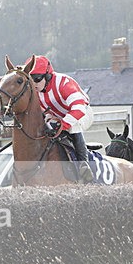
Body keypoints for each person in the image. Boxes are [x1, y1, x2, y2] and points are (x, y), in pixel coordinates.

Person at [28, 55, 94, 184]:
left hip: (82, 113)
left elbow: (79, 108)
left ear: (47, 76)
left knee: (73, 125)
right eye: (30, 80)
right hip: (58, 116)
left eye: (36, 79)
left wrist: (63, 124)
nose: (33, 84)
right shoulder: (36, 91)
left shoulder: (63, 83)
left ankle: (83, 164)